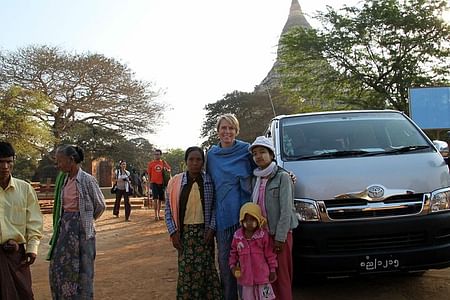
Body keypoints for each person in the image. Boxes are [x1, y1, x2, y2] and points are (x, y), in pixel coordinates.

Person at [47, 144, 106, 299]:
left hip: (83, 233)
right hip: (65, 231)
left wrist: (86, 219)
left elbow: (100, 205)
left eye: (60, 161)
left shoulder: (87, 180)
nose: (58, 165)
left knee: (83, 271)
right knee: (60, 267)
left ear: (71, 160)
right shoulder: (64, 180)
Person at [206, 114, 255, 300]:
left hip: (246, 216)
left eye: (231, 128)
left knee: (247, 261)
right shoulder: (211, 155)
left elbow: (263, 166)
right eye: (223, 128)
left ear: (236, 130)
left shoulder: (246, 150)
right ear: (218, 131)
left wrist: (285, 174)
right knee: (226, 263)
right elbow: (208, 183)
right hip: (222, 217)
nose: (227, 132)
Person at [165, 146, 223, 299]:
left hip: (204, 235)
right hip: (183, 235)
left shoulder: (210, 182)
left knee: (207, 272)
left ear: (203, 162)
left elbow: (216, 207)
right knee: (186, 274)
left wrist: (211, 228)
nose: (195, 163)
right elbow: (168, 210)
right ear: (186, 162)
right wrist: (173, 232)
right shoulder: (175, 183)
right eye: (191, 159)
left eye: (198, 160)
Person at [248, 136, 298, 300]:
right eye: (255, 153)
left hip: (279, 235)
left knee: (282, 275)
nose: (258, 156)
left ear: (272, 154)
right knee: (266, 277)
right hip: (262, 236)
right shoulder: (256, 178)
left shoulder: (283, 177)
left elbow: (286, 210)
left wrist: (280, 238)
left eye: (262, 152)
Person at [0, 141, 43, 299]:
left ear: (14, 162)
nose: (5, 166)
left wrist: (32, 248)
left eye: (8, 162)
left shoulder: (25, 189)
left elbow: (34, 222)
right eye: (0, 162)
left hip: (17, 257)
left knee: (23, 294)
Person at [229, 202, 277, 300]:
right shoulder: (238, 237)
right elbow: (233, 253)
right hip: (246, 278)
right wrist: (233, 266)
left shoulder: (263, 235)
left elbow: (270, 254)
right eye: (246, 220)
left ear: (258, 220)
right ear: (242, 220)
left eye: (252, 219)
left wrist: (272, 269)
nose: (249, 222)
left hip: (263, 277)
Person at [148, 149, 171, 221]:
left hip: (162, 183)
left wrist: (166, 169)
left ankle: (159, 214)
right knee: (155, 199)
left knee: (160, 200)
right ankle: (155, 215)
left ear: (160, 155)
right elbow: (149, 174)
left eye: (158, 154)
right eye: (155, 154)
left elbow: (169, 169)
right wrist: (149, 184)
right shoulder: (151, 164)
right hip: (154, 183)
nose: (156, 156)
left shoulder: (163, 162)